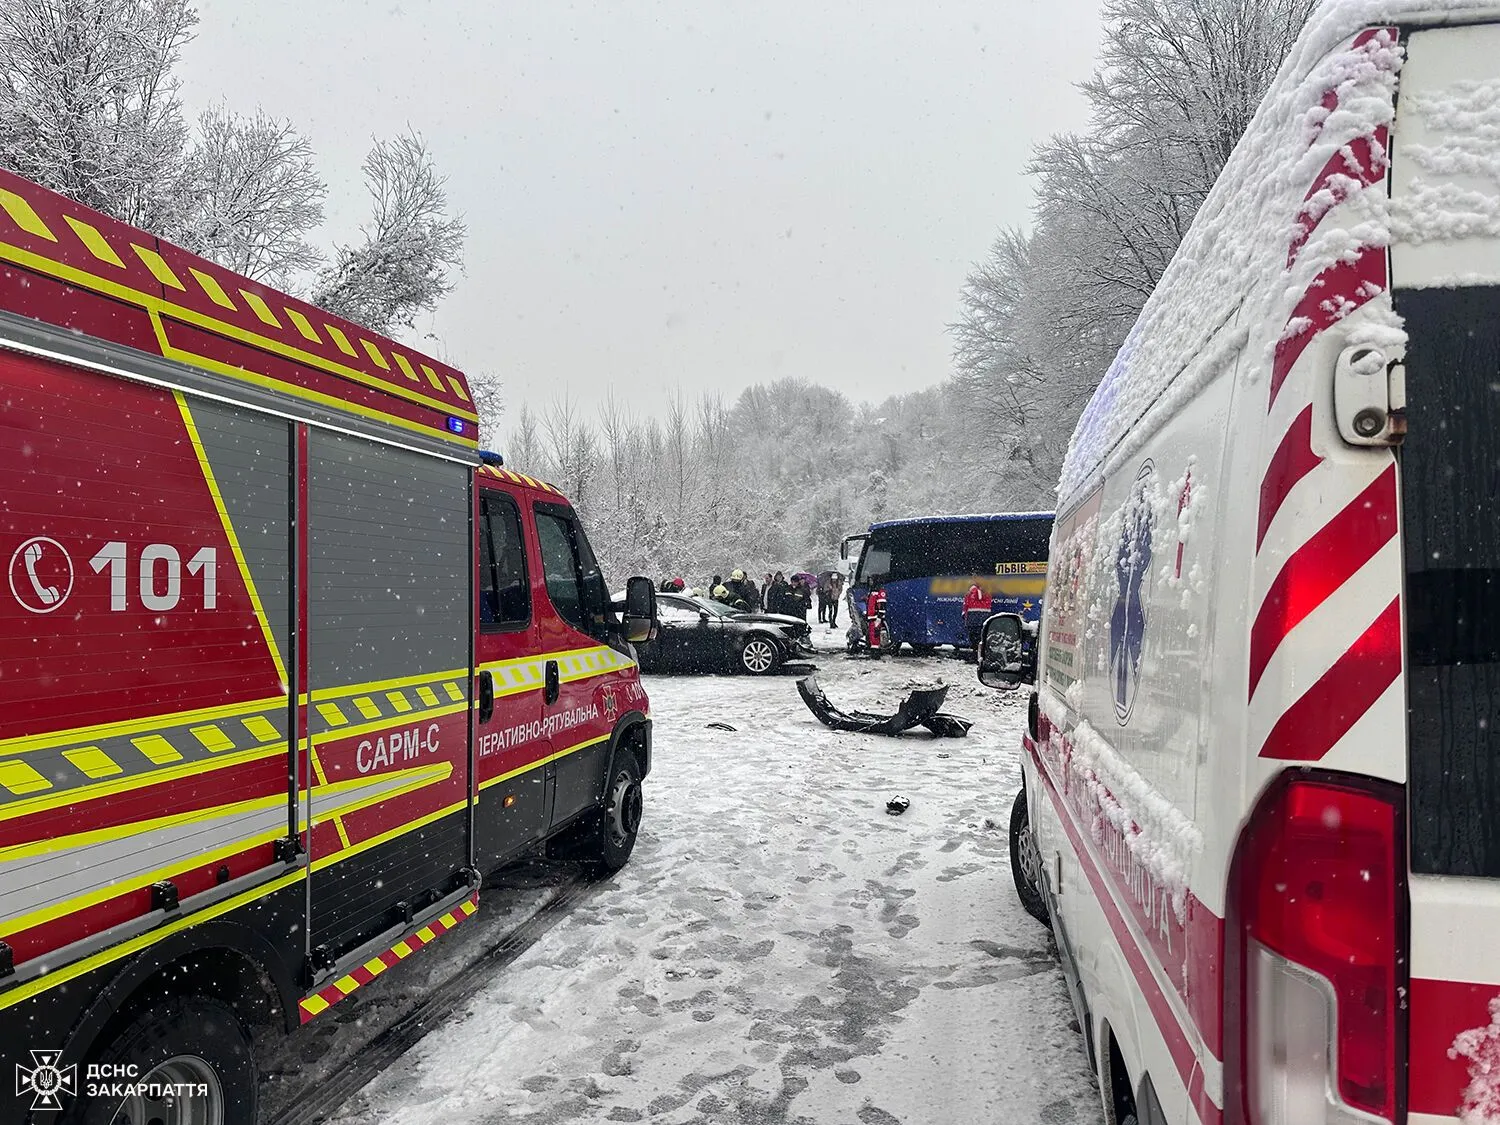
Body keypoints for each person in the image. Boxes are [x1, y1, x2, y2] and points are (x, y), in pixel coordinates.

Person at [964, 582, 992, 659]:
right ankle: (982, 656)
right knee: (982, 638)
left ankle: (975, 655)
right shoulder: (987, 593)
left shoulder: (971, 593)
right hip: (984, 619)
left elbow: (966, 605)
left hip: (973, 619)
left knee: (973, 638)